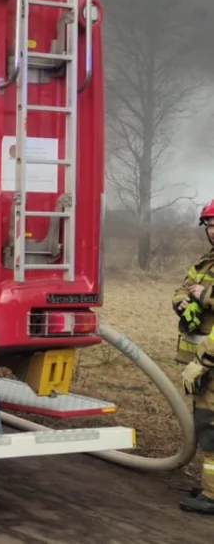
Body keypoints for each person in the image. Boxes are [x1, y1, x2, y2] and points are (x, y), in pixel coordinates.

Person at [172, 198, 214, 515]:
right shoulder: (206, 263)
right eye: (209, 223)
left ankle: (212, 496)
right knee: (204, 423)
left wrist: (203, 362)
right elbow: (183, 288)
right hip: (200, 363)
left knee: (211, 425)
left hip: (209, 361)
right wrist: (182, 303)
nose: (212, 229)